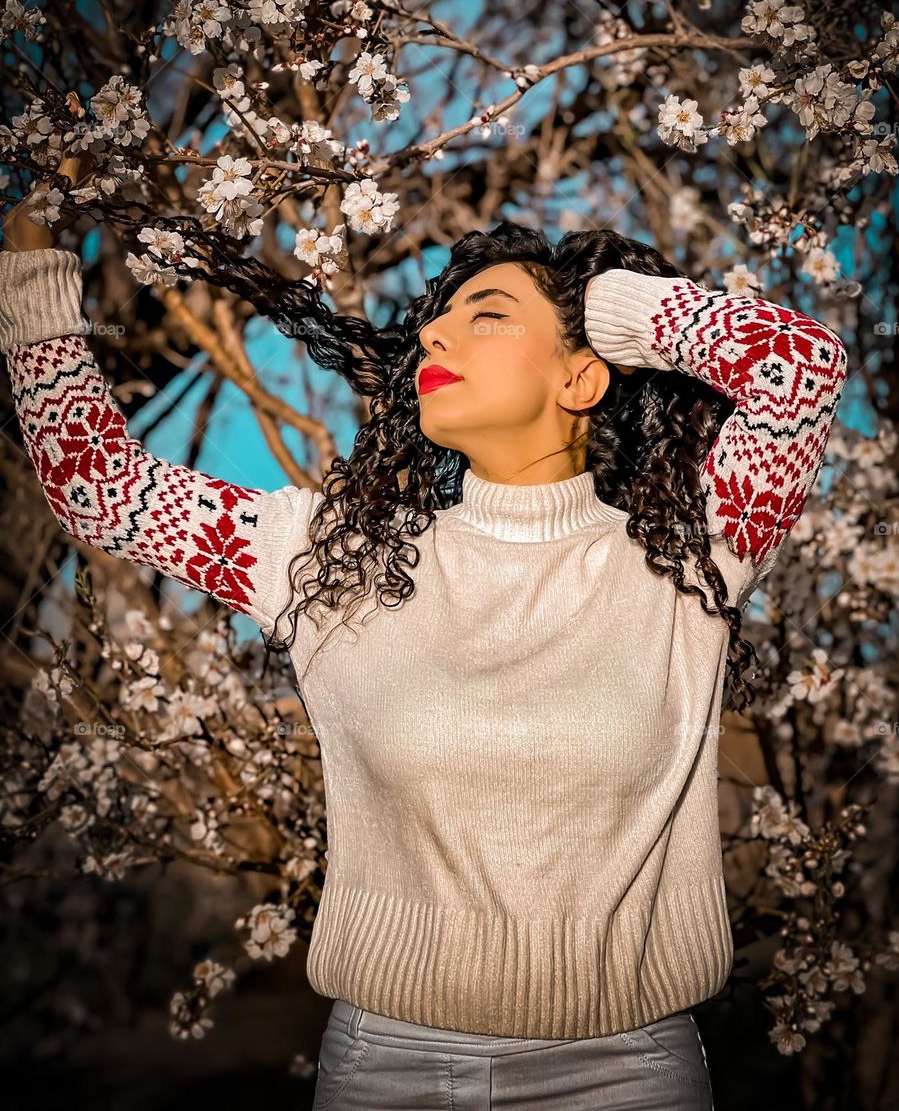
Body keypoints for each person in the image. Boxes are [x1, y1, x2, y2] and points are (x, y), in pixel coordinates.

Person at [1, 152, 847, 1109]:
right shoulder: (332, 564)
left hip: (631, 1076)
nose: (437, 327)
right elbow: (96, 485)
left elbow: (797, 368)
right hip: (386, 1072)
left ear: (583, 378)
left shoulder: (692, 556)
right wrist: (32, 267)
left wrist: (596, 297)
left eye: (486, 314)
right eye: (440, 316)